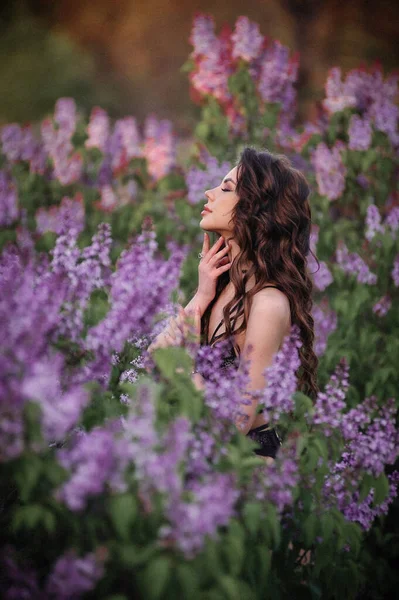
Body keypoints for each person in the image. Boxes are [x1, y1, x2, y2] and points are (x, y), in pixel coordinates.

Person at [148, 147, 319, 462]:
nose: (209, 193)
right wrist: (201, 297)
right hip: (201, 454)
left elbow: (235, 425)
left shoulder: (268, 303)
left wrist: (185, 370)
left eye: (226, 188)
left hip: (245, 469)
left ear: (256, 209)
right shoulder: (223, 287)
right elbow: (157, 357)